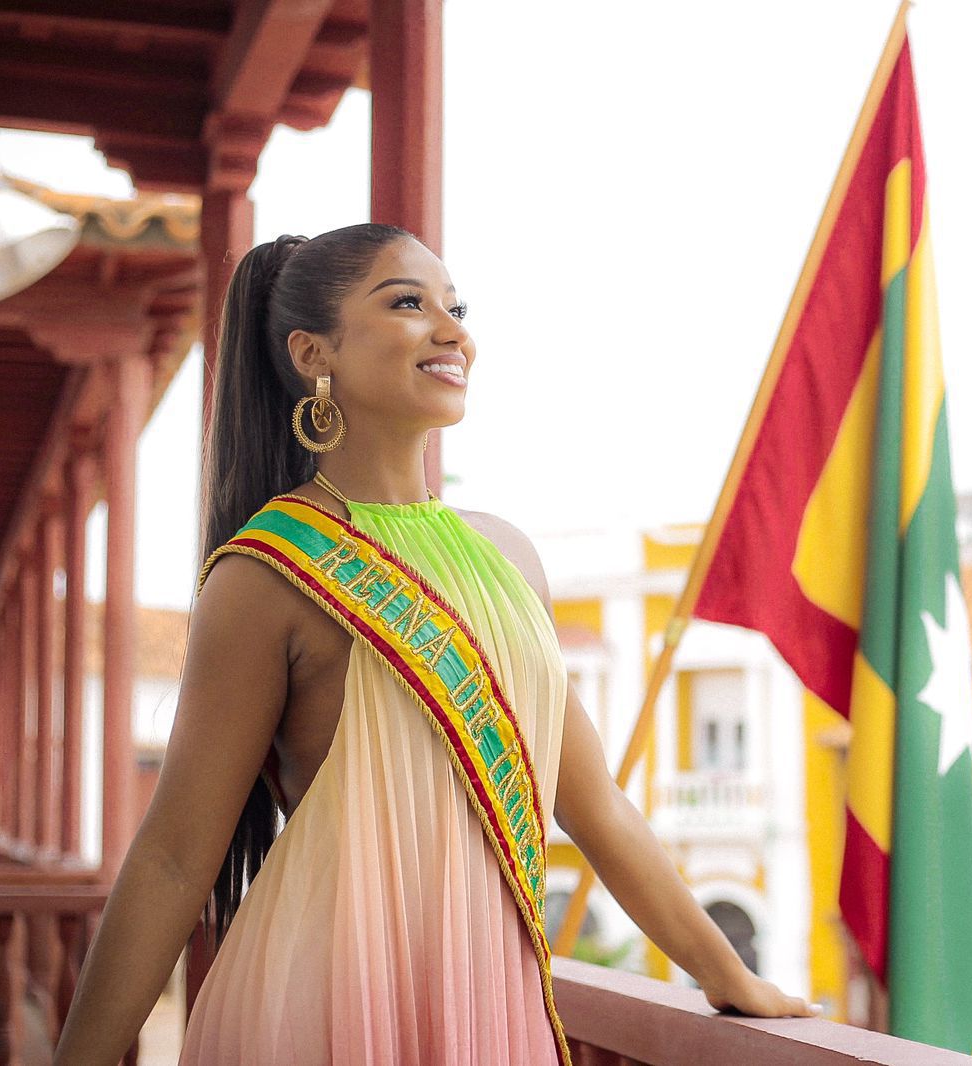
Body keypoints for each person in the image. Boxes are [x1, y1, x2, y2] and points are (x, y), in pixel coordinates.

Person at [53, 223, 819, 1065]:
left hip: (494, 1011)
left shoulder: (509, 555)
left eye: (457, 307)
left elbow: (591, 804)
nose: (454, 330)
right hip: (329, 1010)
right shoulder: (265, 573)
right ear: (314, 351)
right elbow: (171, 857)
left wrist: (726, 974)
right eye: (409, 304)